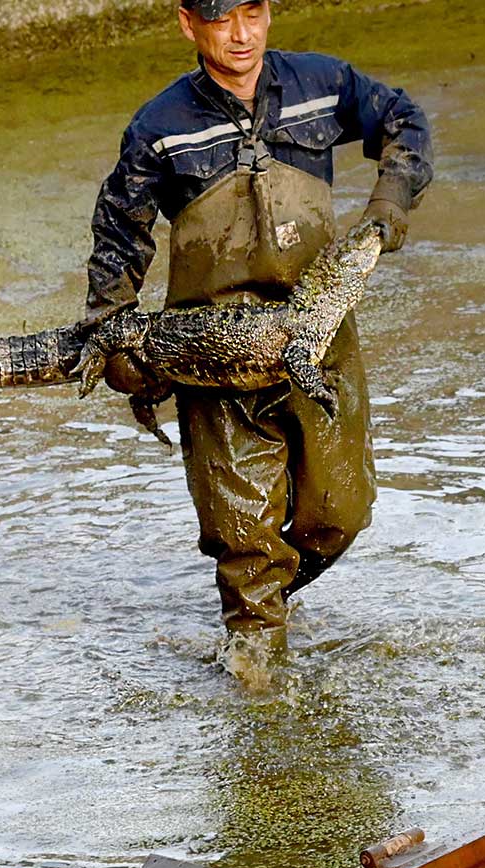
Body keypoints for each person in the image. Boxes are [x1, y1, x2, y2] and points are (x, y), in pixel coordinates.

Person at [84, 0, 431, 685]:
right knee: (244, 538)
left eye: (252, 12)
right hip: (211, 357)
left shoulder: (323, 85)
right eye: (219, 19)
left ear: (268, 13)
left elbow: (404, 121)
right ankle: (258, 688)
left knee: (341, 511)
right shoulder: (159, 128)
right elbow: (119, 234)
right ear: (188, 24)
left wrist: (389, 203)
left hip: (318, 337)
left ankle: (264, 602)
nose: (240, 35)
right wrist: (111, 330)